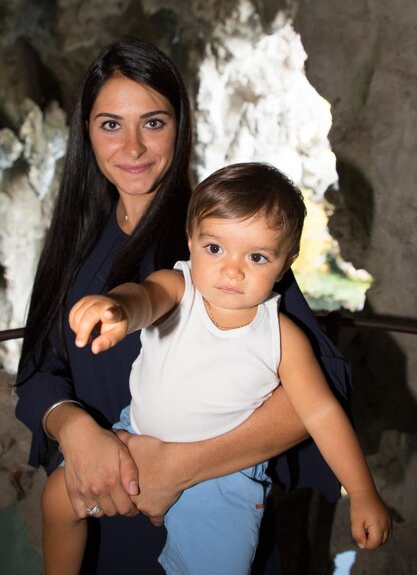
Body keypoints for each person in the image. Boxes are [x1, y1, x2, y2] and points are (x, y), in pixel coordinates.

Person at [15, 37, 352, 575]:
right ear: (86, 132)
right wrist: (74, 429)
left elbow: (316, 387)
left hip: (200, 513)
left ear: (181, 126)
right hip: (100, 509)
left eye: (153, 122)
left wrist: (180, 466)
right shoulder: (76, 241)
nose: (132, 147)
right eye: (110, 125)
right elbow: (39, 370)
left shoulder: (220, 244)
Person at [41, 163, 391, 575]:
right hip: (135, 437)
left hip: (223, 483)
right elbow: (146, 297)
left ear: (285, 263)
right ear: (190, 241)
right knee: (57, 498)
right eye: (214, 249)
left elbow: (321, 413)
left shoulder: (282, 338)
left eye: (257, 257)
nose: (232, 269)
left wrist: (363, 491)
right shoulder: (180, 289)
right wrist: (118, 308)